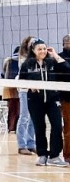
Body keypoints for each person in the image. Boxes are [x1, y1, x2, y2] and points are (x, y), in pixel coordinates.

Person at [19, 39, 69, 167]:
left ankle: (54, 156)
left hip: (53, 100)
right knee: (39, 128)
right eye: (39, 49)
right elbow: (21, 81)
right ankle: (42, 155)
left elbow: (67, 70)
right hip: (35, 101)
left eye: (44, 49)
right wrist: (30, 86)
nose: (42, 51)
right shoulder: (27, 64)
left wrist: (55, 55)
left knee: (57, 126)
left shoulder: (52, 62)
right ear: (33, 50)